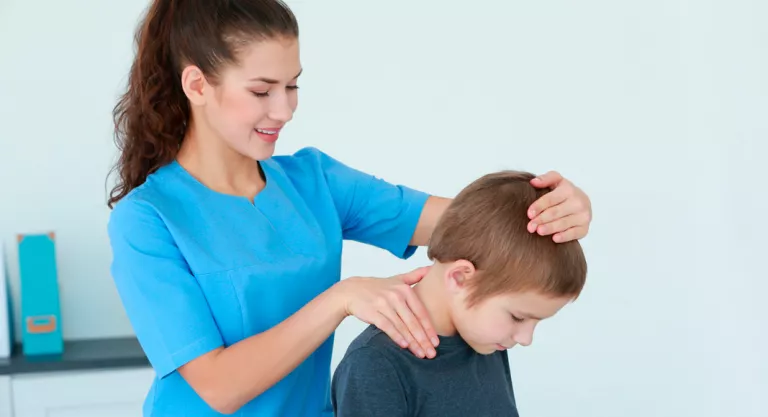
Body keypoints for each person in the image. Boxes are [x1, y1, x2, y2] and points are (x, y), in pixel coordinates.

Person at [105, 0, 593, 416]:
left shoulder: (314, 181)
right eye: (262, 91)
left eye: (292, 86)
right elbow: (218, 386)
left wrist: (553, 207)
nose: (284, 110)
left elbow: (476, 225)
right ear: (196, 86)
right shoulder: (147, 219)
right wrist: (342, 299)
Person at [331, 170, 588, 417]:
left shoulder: (483, 337)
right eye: (518, 318)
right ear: (460, 278)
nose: (525, 338)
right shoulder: (376, 364)